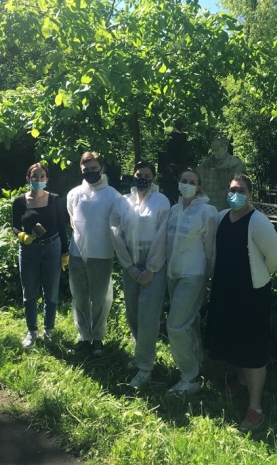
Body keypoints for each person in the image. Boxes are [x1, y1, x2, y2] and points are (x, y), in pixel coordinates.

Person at [206, 173, 277, 432]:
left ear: (250, 194)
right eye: (231, 189)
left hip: (251, 292)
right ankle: (240, 381)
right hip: (225, 290)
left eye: (240, 189)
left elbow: (276, 259)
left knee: (252, 346)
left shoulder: (258, 221)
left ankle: (255, 409)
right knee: (234, 337)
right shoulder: (221, 217)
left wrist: (258, 277)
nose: (234, 193)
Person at [110, 161, 170, 387]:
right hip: (131, 264)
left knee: (148, 316)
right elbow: (115, 231)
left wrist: (151, 268)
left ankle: (145, 367)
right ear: (133, 176)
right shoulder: (123, 201)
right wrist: (130, 266)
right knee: (132, 313)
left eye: (147, 174)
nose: (142, 177)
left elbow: (162, 236)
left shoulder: (161, 201)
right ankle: (140, 354)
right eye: (139, 174)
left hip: (154, 265)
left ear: (153, 177)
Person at [166, 168, 217, 394]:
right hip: (173, 274)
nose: (187, 184)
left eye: (192, 181)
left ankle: (190, 377)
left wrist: (210, 273)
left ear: (199, 187)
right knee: (190, 321)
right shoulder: (174, 210)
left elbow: (211, 247)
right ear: (178, 183)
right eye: (183, 180)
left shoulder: (207, 211)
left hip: (194, 274)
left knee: (175, 325)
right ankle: (198, 361)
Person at [67, 151, 121, 356]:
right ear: (81, 169)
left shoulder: (113, 195)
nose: (90, 172)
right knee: (79, 297)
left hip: (102, 254)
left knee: (99, 298)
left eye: (94, 169)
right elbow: (73, 220)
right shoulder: (74, 194)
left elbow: (117, 225)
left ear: (102, 169)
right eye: (86, 169)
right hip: (77, 253)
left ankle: (98, 337)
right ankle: (84, 336)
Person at [12, 163, 69, 348]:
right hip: (29, 250)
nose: (38, 179)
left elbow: (61, 226)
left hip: (52, 247)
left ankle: (49, 330)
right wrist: (21, 235)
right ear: (28, 178)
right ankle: (32, 331)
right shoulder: (19, 201)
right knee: (29, 293)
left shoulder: (54, 199)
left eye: (42, 176)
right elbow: (14, 225)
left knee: (51, 293)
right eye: (34, 176)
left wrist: (64, 252)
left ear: (47, 179)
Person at [197, 135, 246, 211]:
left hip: (226, 207)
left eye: (217, 150)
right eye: (213, 150)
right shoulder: (207, 163)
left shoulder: (235, 164)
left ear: (225, 148)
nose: (214, 153)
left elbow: (240, 187)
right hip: (208, 208)